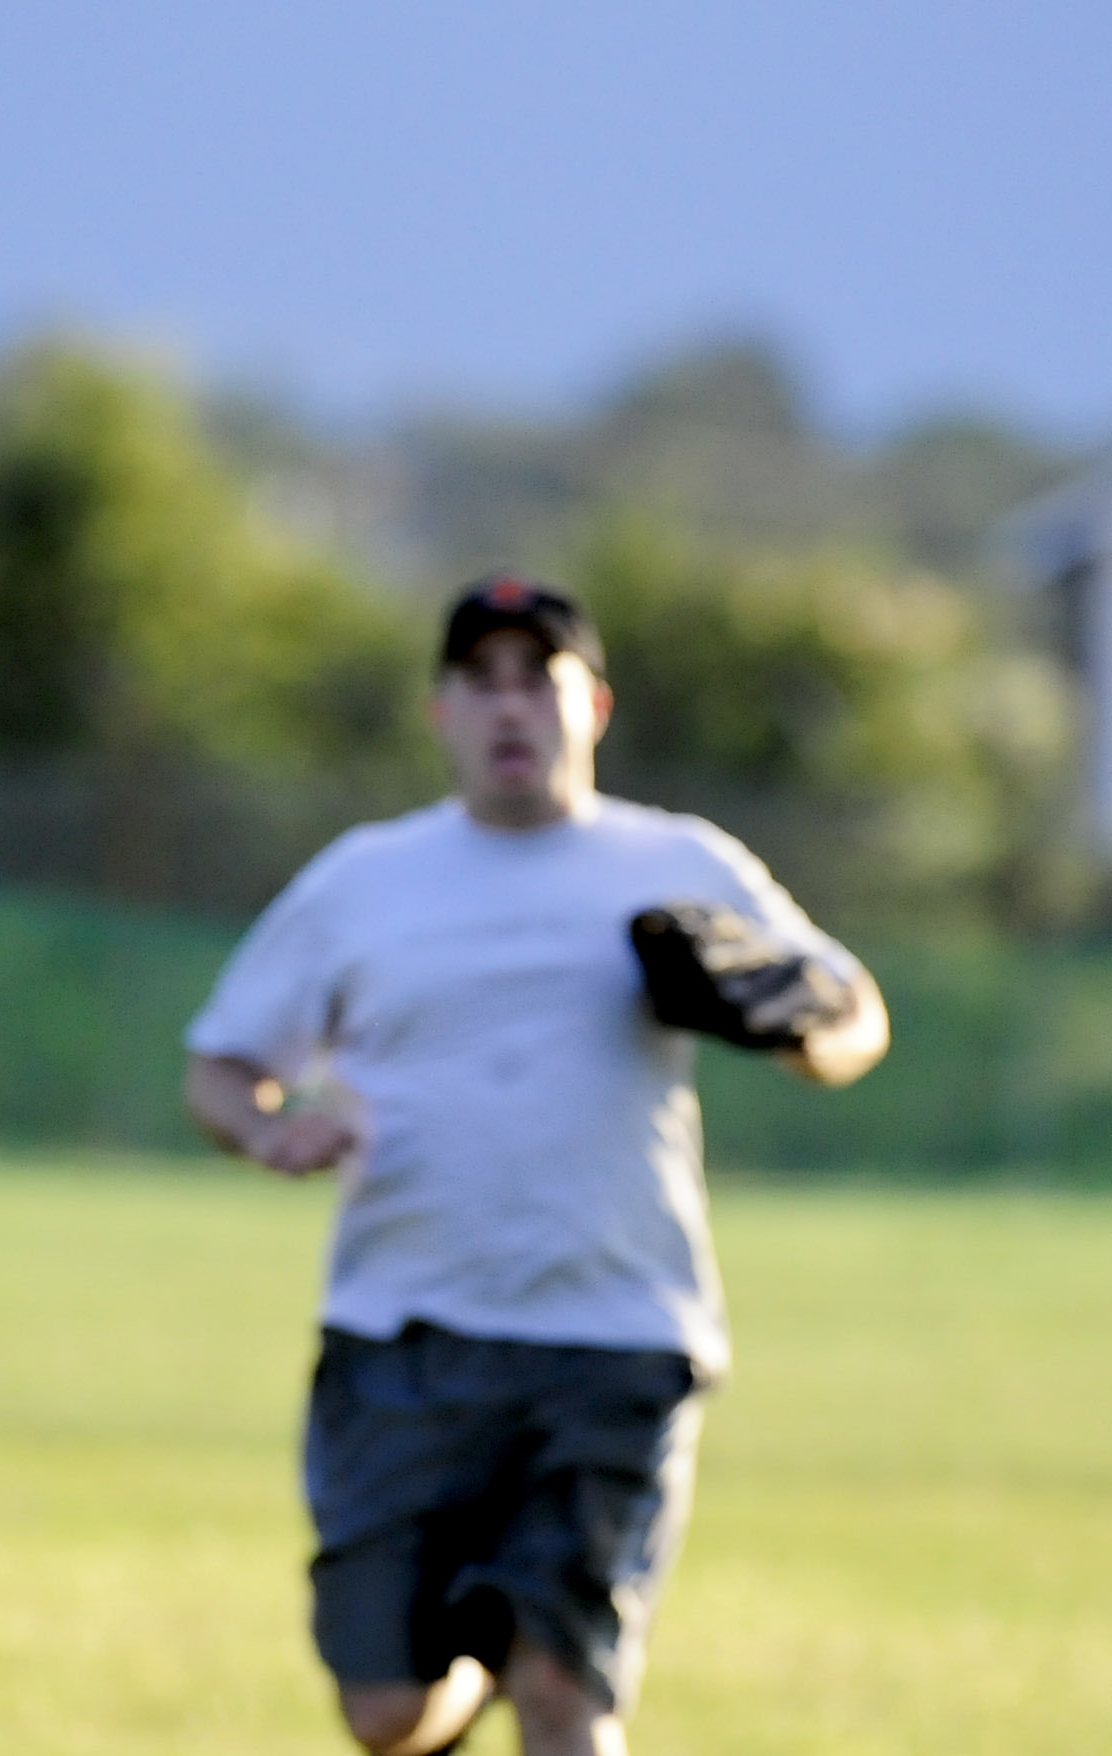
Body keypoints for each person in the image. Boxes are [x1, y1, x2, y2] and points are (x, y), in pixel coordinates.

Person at [184, 576, 887, 1756]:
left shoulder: (676, 861)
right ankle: (473, 1676)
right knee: (386, 1713)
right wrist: (269, 1129)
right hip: (403, 1335)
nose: (510, 705)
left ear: (592, 706)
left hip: (616, 1331)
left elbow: (852, 1012)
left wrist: (799, 1028)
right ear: (440, 712)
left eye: (538, 677)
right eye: (481, 679)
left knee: (569, 1693)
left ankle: (527, 1663)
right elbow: (221, 1065)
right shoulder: (367, 877)